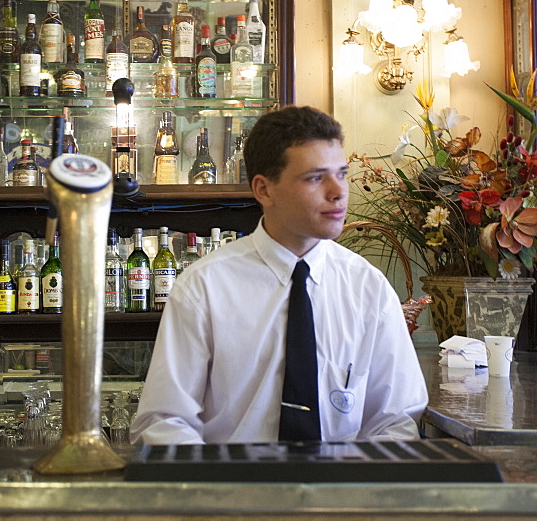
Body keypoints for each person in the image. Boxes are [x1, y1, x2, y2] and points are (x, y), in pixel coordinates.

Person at [130, 106, 428, 444]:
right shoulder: (205, 287)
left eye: (341, 174)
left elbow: (394, 421)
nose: (338, 192)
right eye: (316, 178)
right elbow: (164, 422)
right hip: (235, 488)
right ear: (264, 190)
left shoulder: (367, 287)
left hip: (342, 488)